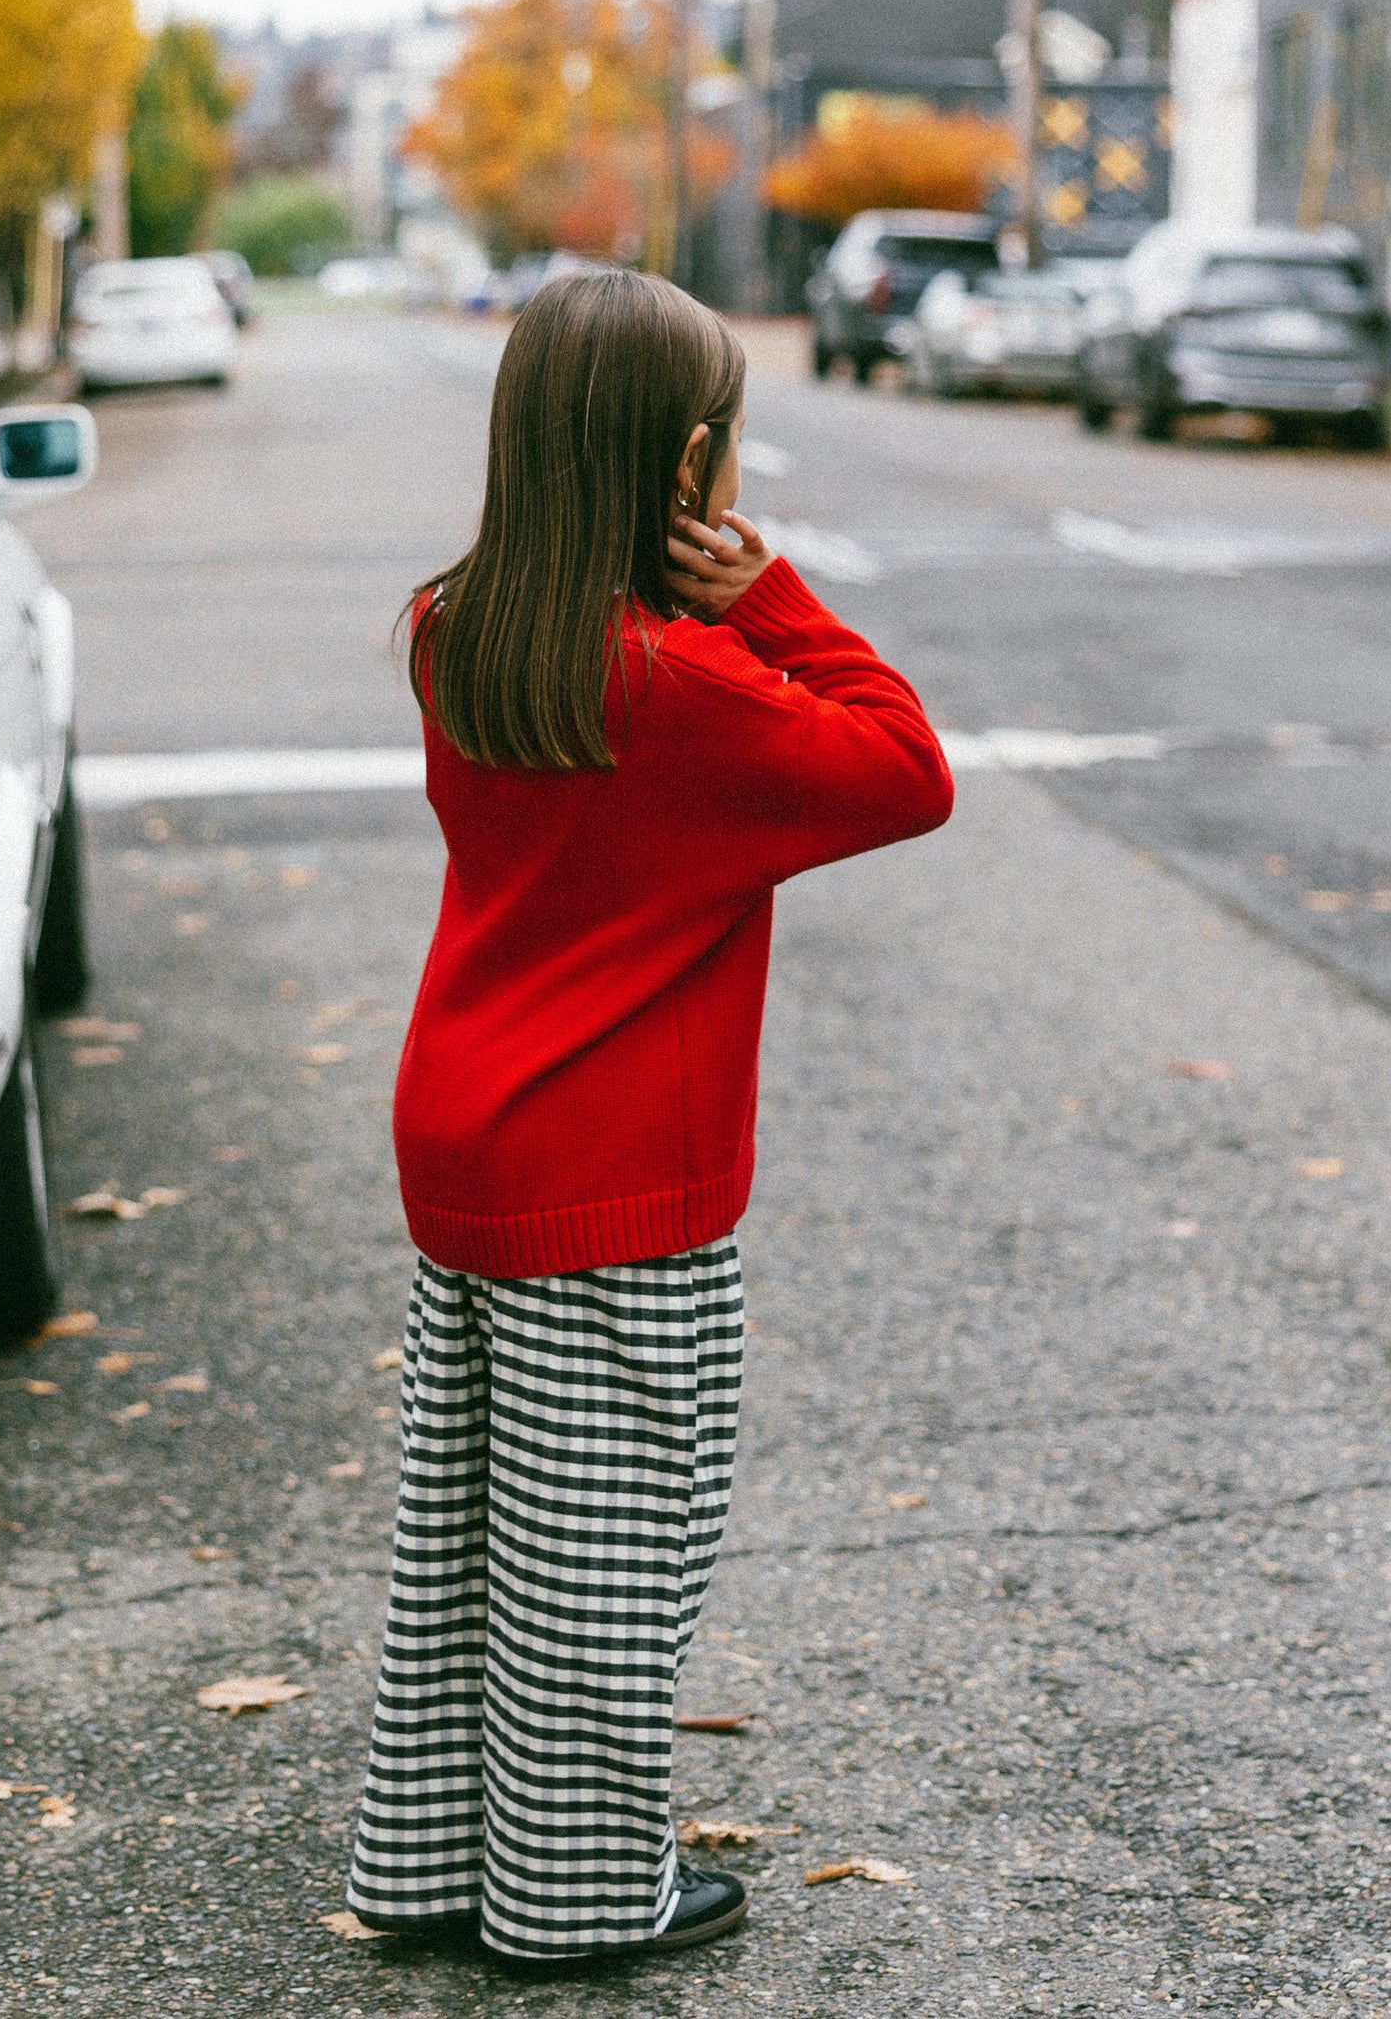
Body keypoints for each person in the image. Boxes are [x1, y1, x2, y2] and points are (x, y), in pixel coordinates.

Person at [347, 269, 953, 1966]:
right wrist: (776, 602)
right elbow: (905, 769)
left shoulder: (456, 625)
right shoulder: (684, 686)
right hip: (616, 1183)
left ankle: (431, 1864)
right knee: (608, 1565)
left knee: (470, 1548)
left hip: (468, 1140)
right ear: (689, 465)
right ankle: (575, 1902)